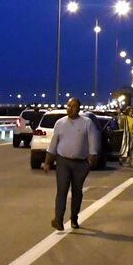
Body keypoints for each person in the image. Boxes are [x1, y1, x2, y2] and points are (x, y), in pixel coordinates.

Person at [42, 97, 100, 231]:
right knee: (61, 190)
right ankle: (58, 219)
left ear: (79, 108)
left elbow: (92, 143)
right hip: (63, 161)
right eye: (68, 106)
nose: (70, 108)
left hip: (80, 163)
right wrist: (47, 162)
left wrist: (92, 159)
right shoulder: (60, 123)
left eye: (73, 106)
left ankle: (74, 218)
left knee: (76, 191)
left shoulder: (87, 123)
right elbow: (53, 145)